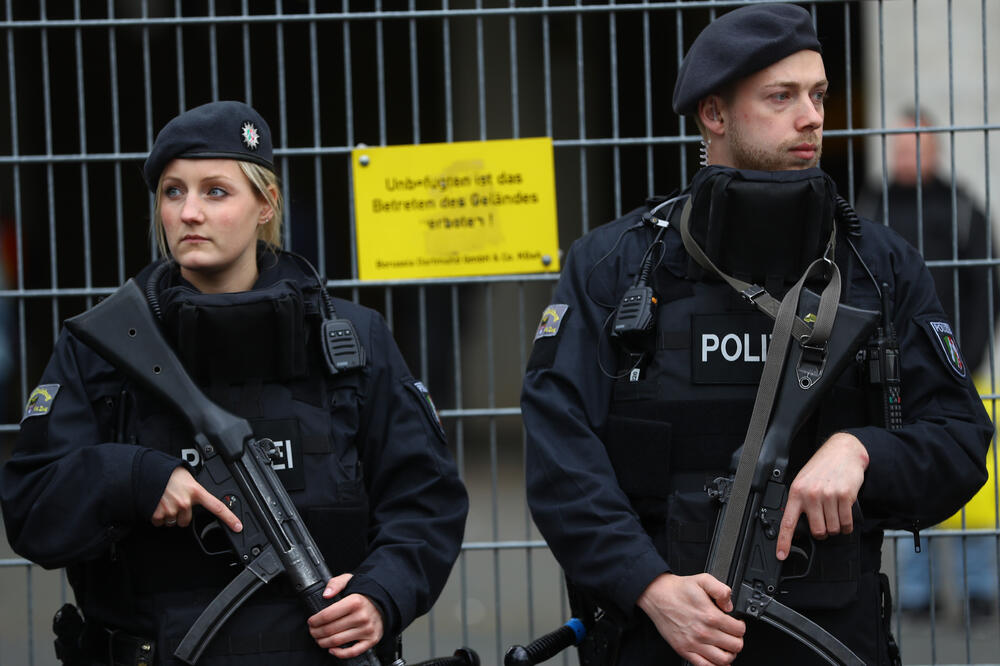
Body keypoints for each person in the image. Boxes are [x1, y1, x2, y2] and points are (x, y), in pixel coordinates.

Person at [521, 5, 992, 666]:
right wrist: (648, 585)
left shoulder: (879, 266)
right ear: (714, 115)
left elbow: (961, 437)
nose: (812, 116)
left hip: (832, 636)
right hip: (661, 636)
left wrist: (864, 451)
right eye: (782, 96)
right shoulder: (616, 265)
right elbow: (559, 453)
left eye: (818, 94)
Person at [0, 100, 469, 666]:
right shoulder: (102, 349)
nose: (189, 212)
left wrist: (382, 593)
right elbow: (30, 506)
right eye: (174, 192)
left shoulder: (351, 341)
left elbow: (426, 499)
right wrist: (133, 478)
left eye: (215, 192)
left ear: (265, 205)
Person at [858, 109, 999, 617]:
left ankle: (979, 590)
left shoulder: (963, 206)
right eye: (897, 146)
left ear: (935, 149)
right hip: (888, 366)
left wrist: (973, 353)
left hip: (961, 360)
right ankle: (915, 596)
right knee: (897, 464)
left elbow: (986, 286)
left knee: (973, 475)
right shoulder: (867, 206)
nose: (905, 154)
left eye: (915, 145)